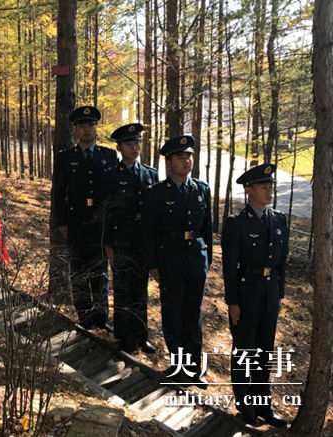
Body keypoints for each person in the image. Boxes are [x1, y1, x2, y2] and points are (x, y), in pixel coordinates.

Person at [141, 135, 212, 385]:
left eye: (189, 156)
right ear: (169, 162)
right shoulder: (156, 193)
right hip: (170, 258)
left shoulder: (201, 189)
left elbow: (207, 228)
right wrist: (152, 264)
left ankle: (193, 368)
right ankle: (178, 364)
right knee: (173, 312)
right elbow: (148, 232)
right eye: (180, 157)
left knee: (193, 313)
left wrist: (207, 258)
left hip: (196, 258)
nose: (186, 161)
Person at [222, 163, 288, 428]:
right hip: (246, 295)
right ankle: (245, 405)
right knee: (244, 351)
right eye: (263, 187)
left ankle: (263, 405)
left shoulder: (279, 220)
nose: (269, 191)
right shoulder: (237, 223)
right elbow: (229, 267)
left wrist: (279, 295)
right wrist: (232, 302)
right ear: (249, 190)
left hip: (269, 295)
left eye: (271, 186)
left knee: (264, 353)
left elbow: (281, 263)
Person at [51, 106, 118, 328]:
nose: (87, 129)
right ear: (75, 130)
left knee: (100, 273)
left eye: (91, 125)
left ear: (96, 128)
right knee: (78, 272)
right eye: (82, 125)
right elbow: (58, 192)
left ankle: (101, 317)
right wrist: (61, 222)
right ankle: (85, 319)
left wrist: (112, 223)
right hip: (76, 224)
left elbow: (114, 193)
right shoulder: (65, 157)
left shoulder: (108, 156)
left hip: (101, 225)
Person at [104, 123, 158, 354]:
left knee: (141, 291)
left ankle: (141, 335)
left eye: (137, 143)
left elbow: (155, 213)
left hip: (143, 243)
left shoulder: (150, 174)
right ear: (119, 147)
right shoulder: (111, 175)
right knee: (123, 290)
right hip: (121, 242)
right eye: (129, 143)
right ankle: (124, 337)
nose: (134, 147)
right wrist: (108, 244)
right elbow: (105, 213)